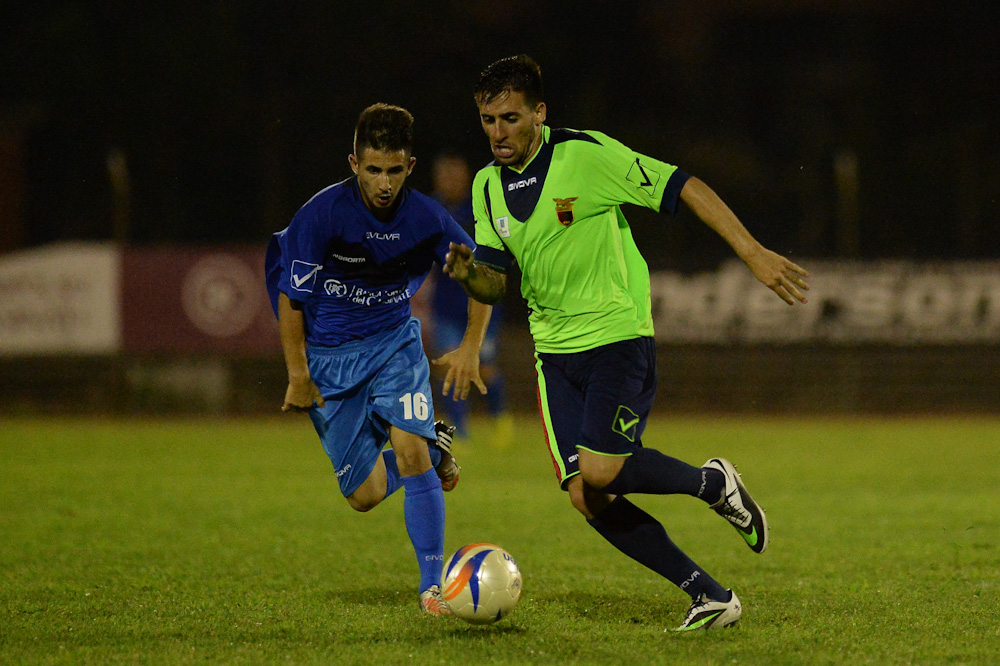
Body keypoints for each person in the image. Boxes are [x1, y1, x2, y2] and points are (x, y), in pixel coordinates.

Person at [443, 55, 810, 631]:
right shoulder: (486, 188)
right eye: (488, 120)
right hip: (553, 354)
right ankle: (710, 595)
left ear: (539, 113)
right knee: (586, 496)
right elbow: (493, 279)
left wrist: (751, 251)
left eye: (510, 118)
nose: (498, 132)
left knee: (602, 472)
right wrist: (469, 289)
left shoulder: (585, 156)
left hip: (617, 335)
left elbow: (682, 185)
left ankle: (711, 483)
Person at [265, 103, 491, 616]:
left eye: (393, 171)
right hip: (329, 361)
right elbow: (290, 298)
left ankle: (432, 588)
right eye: (372, 170)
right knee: (364, 495)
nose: (383, 183)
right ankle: (436, 455)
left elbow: (481, 277)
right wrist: (297, 375)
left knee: (409, 449)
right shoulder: (321, 214)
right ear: (353, 163)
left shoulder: (428, 218)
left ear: (410, 167)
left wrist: (472, 346)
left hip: (394, 346)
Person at [427, 152, 512, 443]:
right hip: (445, 306)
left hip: (480, 304)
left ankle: (501, 420)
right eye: (445, 175)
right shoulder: (431, 210)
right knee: (450, 368)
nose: (450, 181)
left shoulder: (481, 207)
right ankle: (459, 431)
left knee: (486, 368)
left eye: (455, 175)